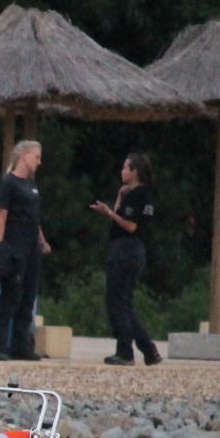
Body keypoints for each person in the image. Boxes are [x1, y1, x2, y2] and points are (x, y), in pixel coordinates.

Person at [90, 151, 162, 366]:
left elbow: (130, 225)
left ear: (134, 172)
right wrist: (119, 199)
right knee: (125, 302)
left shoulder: (138, 195)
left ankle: (125, 351)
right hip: (135, 250)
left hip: (125, 249)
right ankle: (149, 350)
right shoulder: (142, 195)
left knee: (116, 302)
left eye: (125, 167)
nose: (122, 171)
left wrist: (109, 213)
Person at [0, 140, 49, 362]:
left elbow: (35, 217)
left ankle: (21, 345)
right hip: (15, 245)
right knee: (11, 295)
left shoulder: (31, 185)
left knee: (28, 295)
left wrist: (42, 240)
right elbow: (1, 216)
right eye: (36, 157)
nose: (39, 162)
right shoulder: (9, 183)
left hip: (32, 246)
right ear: (23, 155)